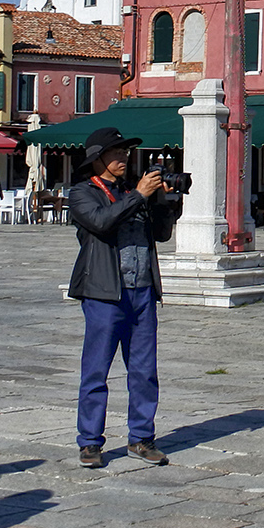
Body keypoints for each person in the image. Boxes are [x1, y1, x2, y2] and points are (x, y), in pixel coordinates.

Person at [68, 127, 182, 468]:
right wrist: (139, 196)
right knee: (96, 371)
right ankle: (90, 442)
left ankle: (142, 437)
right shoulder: (82, 193)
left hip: (143, 290)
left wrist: (163, 201)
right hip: (104, 292)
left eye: (125, 152)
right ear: (97, 158)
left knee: (144, 371)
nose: (123, 157)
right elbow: (101, 222)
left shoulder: (134, 191)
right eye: (116, 152)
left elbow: (161, 234)